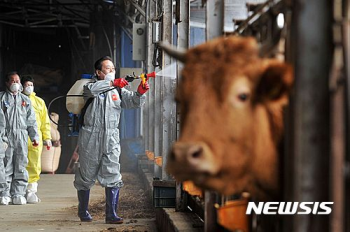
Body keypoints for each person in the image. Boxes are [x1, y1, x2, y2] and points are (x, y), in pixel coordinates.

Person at [74, 56, 149, 224]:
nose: (112, 71)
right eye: (108, 68)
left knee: (113, 173)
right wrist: (114, 83)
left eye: (113, 69)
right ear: (98, 72)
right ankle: (83, 210)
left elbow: (133, 102)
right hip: (90, 135)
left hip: (111, 137)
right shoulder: (89, 87)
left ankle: (111, 214)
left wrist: (140, 93)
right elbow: (93, 90)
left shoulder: (119, 91)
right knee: (86, 175)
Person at [0, 71, 39, 205]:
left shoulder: (25, 100)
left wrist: (34, 137)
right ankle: (5, 193)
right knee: (6, 165)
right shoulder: (2, 99)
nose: (15, 84)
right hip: (6, 136)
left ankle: (18, 193)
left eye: (17, 81)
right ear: (7, 83)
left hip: (21, 136)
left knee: (21, 164)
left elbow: (31, 120)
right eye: (13, 81)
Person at [21, 76, 52, 204]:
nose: (29, 87)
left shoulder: (39, 102)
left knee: (34, 165)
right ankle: (18, 191)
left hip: (35, 139)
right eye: (27, 84)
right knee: (18, 164)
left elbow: (45, 121)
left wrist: (47, 138)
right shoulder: (17, 100)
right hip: (19, 137)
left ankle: (31, 191)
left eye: (31, 84)